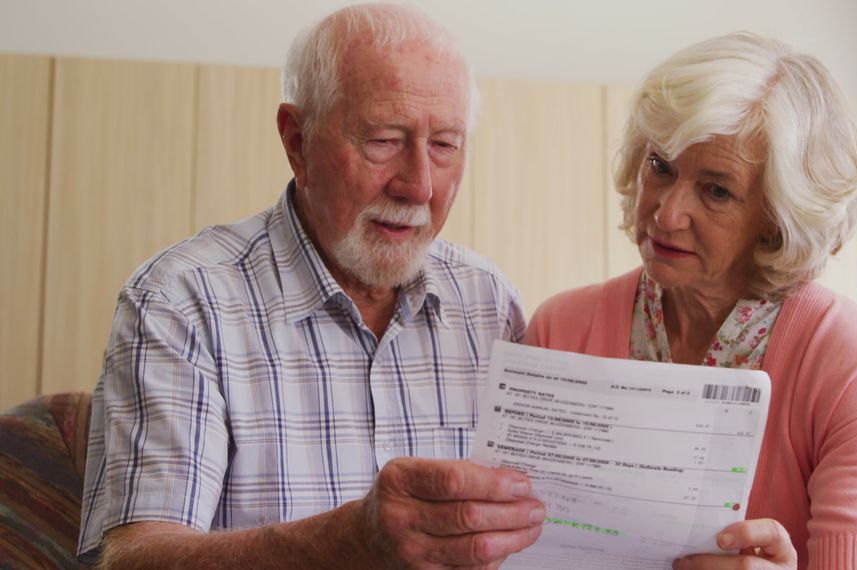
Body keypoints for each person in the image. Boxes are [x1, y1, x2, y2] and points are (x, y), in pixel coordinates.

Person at [78, 4, 545, 568]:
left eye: (445, 145)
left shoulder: (491, 302)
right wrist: (344, 543)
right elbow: (134, 559)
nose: (419, 186)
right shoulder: (181, 302)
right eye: (384, 140)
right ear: (298, 141)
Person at [526, 33, 857, 569]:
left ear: (776, 219)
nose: (666, 213)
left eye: (716, 190)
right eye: (660, 166)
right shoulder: (560, 330)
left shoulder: (850, 363)